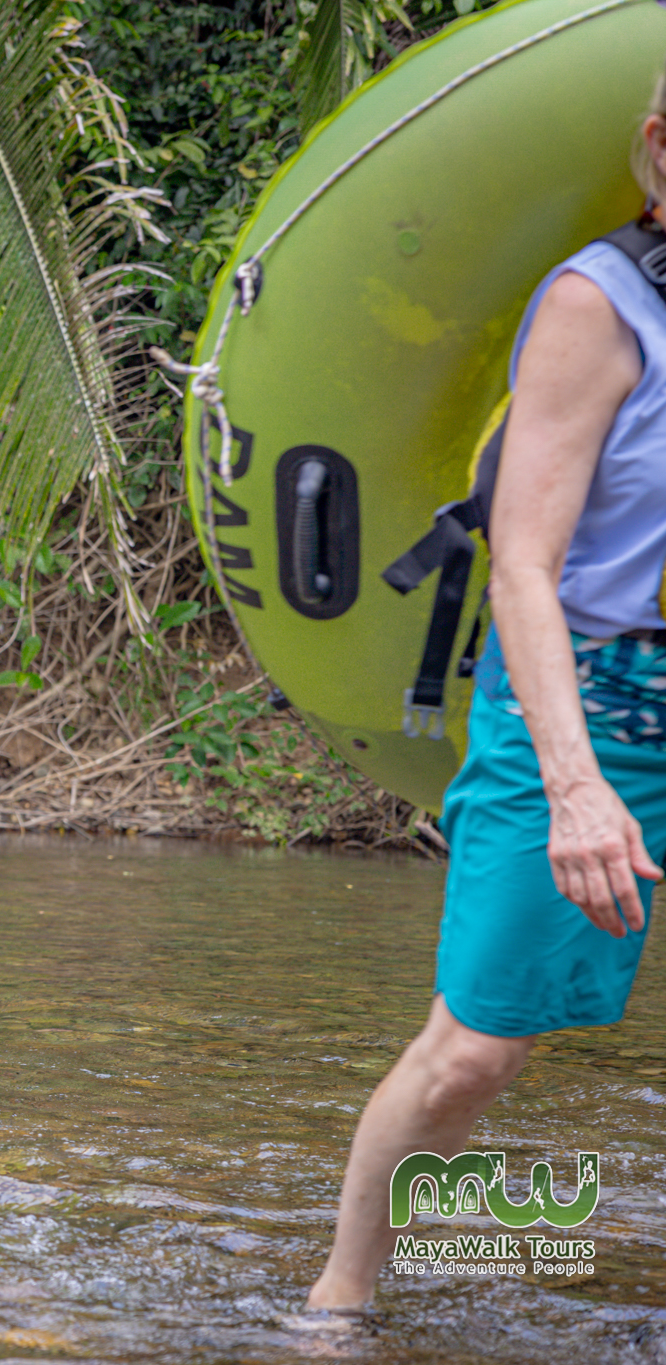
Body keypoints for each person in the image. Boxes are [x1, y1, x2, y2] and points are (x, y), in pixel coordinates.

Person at [305, 83, 666, 1318]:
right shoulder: (598, 308)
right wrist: (575, 789)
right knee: (472, 1051)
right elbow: (521, 566)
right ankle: (342, 1298)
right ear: (658, 154)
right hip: (591, 695)